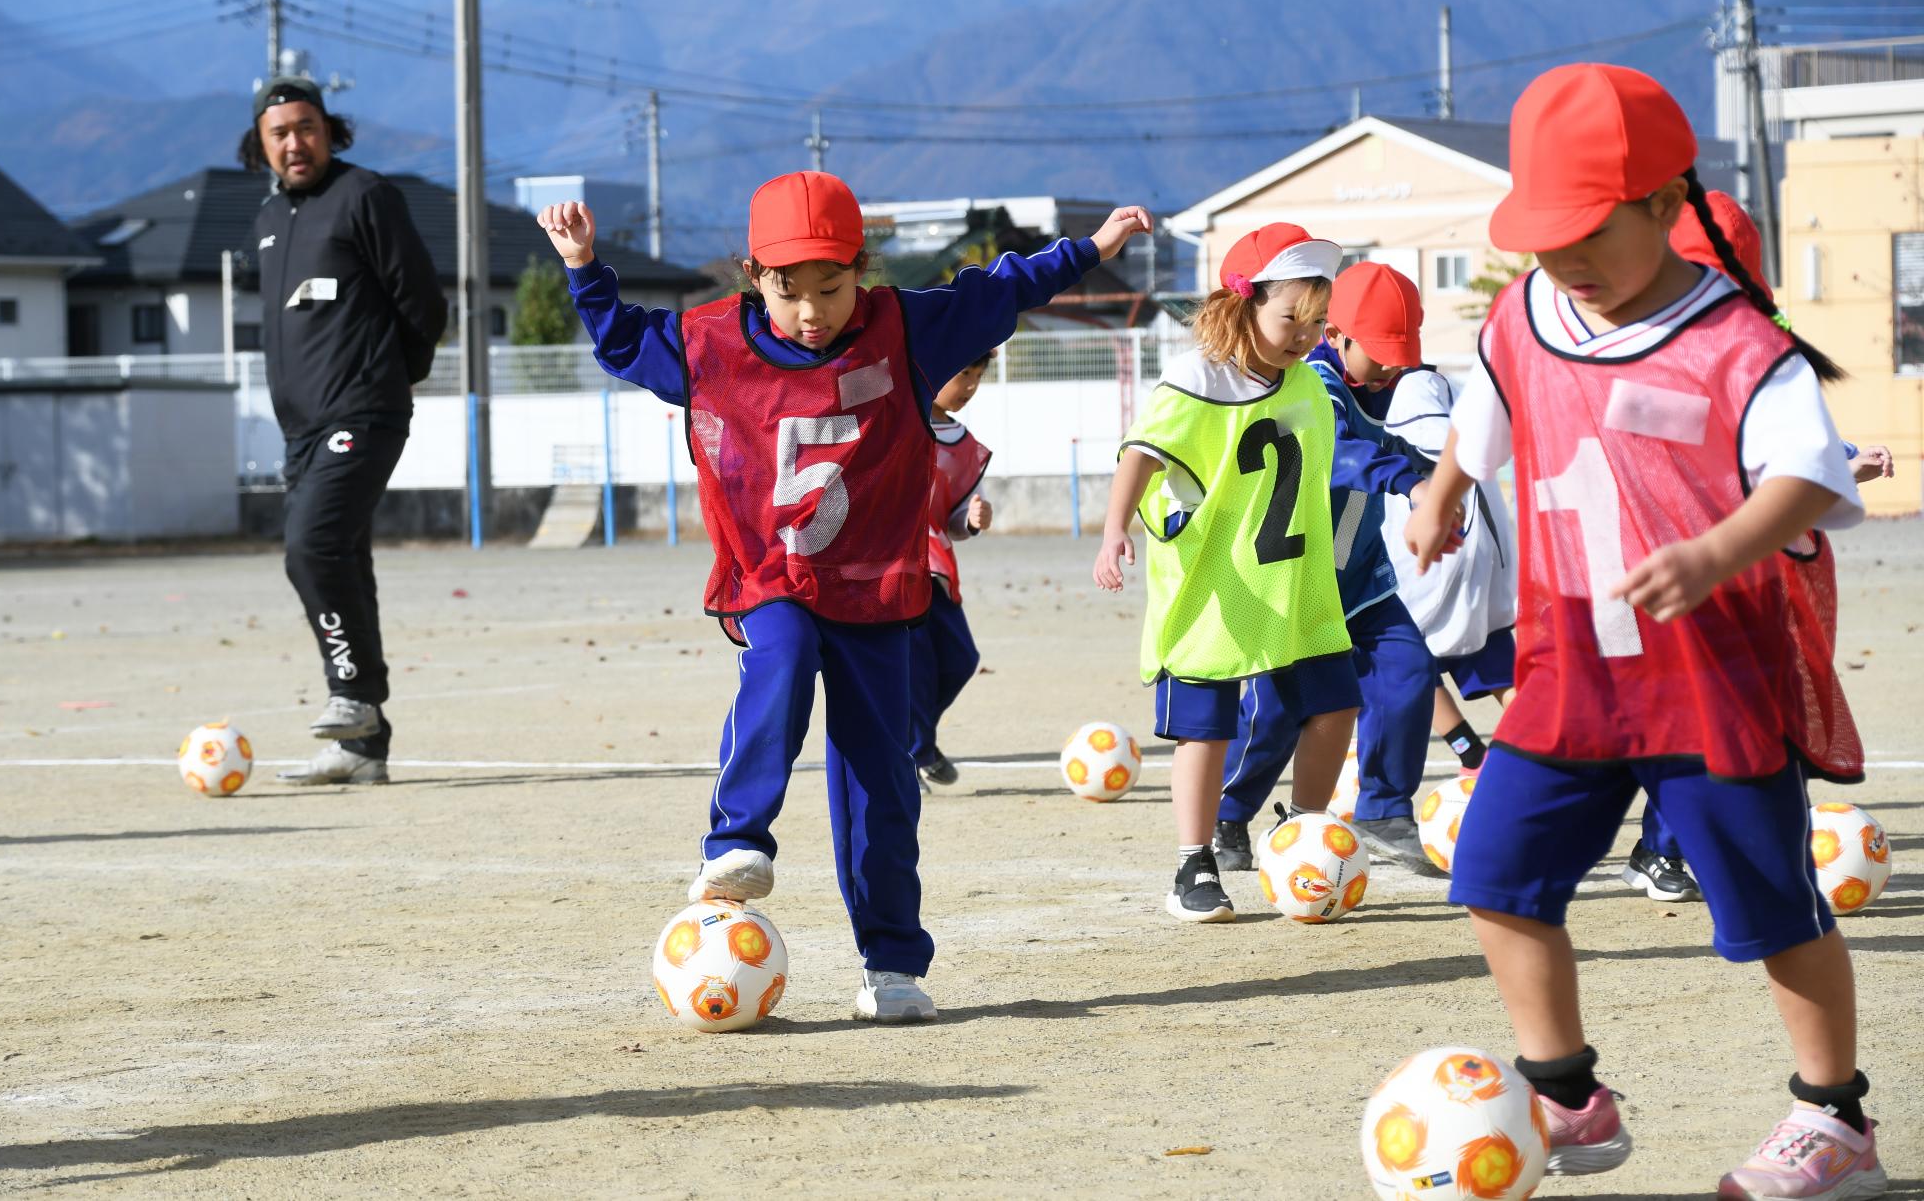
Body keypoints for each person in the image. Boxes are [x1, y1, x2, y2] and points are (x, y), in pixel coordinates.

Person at [1405, 63, 1878, 1198]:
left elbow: (1807, 475)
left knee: (1768, 905)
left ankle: (1834, 1122)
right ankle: (1565, 1094)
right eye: (1543, 237)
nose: (1562, 260)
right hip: (1567, 663)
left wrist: (1717, 549)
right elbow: (1491, 402)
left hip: (1705, 676)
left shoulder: (1737, 344)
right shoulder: (1523, 312)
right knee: (1493, 873)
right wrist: (1443, 485)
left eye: (1587, 233)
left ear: (1666, 205)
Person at [543, 171, 1149, 1022]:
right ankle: (737, 842)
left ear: (859, 269)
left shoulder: (906, 327)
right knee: (781, 656)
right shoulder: (708, 344)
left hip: (879, 586)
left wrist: (1089, 249)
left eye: (831, 288)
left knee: (882, 785)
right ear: (753, 275)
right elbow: (619, 342)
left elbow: (999, 290)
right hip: (772, 573)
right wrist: (584, 267)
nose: (812, 310)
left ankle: (892, 965)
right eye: (789, 291)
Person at [1620, 190, 1896, 905]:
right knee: (1705, 712)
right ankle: (1664, 848)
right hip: (1700, 565)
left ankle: (1746, 848)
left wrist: (1842, 465)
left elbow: (1790, 438)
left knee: (1767, 712)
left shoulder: (1763, 351)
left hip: (1775, 564)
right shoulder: (1655, 358)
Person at [1094, 224, 1358, 923]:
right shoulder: (1196, 378)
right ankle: (1193, 861)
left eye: (1318, 322)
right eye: (1290, 318)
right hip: (1214, 586)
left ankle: (1300, 833)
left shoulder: (1309, 383)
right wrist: (1114, 529)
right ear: (1246, 304)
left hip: (1295, 583)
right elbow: (1141, 455)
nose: (1305, 335)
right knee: (1204, 730)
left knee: (1336, 703)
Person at [242, 74, 448, 786]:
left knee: (311, 547)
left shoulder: (364, 196)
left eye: (308, 127)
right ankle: (365, 748)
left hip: (364, 410)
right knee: (343, 562)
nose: (295, 142)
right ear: (261, 145)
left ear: (330, 132)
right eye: (280, 133)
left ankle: (355, 696)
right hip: (302, 428)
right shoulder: (268, 220)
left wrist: (394, 377)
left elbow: (423, 301)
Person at [1213, 260, 1439, 874]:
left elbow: (1386, 444)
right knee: (1278, 713)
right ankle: (1225, 817)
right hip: (1299, 580)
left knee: (1409, 672)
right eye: (1381, 351)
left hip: (1359, 577)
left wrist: (1429, 471)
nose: (1393, 366)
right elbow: (1336, 452)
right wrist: (1407, 483)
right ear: (1334, 334)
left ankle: (1383, 810)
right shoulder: (1313, 380)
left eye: (1402, 353)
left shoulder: (1376, 383)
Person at [1374, 338, 1518, 774]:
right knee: (1494, 664)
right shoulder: (1441, 382)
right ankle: (1538, 755)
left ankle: (1477, 756)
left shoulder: (1413, 386)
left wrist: (1427, 493)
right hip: (1477, 552)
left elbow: (1435, 443)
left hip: (1441, 549)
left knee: (1399, 653)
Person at [910, 352, 995, 790]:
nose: (970, 386)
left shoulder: (963, 443)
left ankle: (915, 742)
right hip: (895, 568)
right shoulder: (895, 420)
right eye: (963, 373)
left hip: (937, 569)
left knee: (961, 660)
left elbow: (954, 520)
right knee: (917, 669)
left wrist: (971, 518)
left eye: (978, 377)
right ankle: (915, 751)